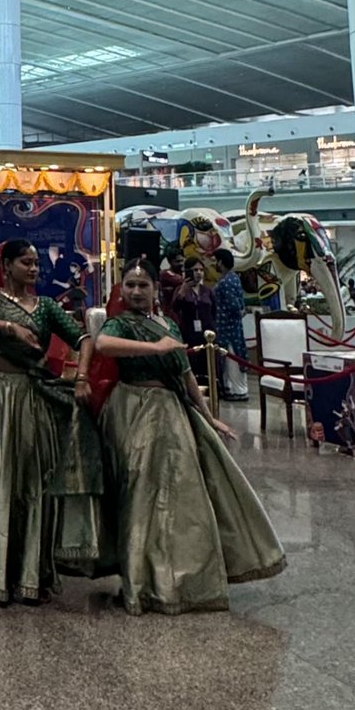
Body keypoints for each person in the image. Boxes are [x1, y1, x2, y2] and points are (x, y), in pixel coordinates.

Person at [96, 258, 286, 615]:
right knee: (140, 495)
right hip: (133, 410)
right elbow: (104, 345)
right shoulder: (120, 323)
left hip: (172, 411)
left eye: (143, 285)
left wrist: (209, 417)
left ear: (155, 290)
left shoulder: (167, 324)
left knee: (181, 497)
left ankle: (180, 578)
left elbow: (184, 374)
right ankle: (139, 583)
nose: (136, 291)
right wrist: (157, 349)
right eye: (130, 285)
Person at [0, 240, 101, 605]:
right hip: (0, 395)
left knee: (33, 479)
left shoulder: (46, 306)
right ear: (6, 266)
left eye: (35, 263)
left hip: (35, 396)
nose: (33, 269)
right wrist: (7, 327)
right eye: (25, 263)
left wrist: (82, 378)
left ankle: (33, 573)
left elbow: (84, 338)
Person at [170, 256, 216, 384]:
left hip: (207, 332)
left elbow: (214, 311)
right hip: (188, 332)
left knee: (207, 363)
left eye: (201, 270)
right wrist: (182, 293)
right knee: (192, 363)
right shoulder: (181, 289)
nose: (199, 273)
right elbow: (174, 308)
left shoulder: (207, 291)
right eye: (195, 270)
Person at [213, 250, 249, 401]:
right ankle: (236, 389)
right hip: (234, 326)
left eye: (216, 260)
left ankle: (236, 390)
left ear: (221, 262)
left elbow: (233, 306)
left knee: (231, 360)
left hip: (227, 328)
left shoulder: (225, 282)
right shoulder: (234, 278)